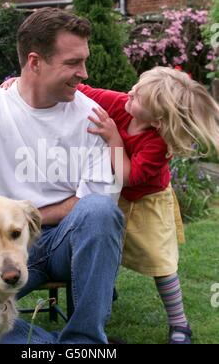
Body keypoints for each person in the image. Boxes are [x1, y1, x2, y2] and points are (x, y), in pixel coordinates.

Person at [0, 8, 124, 344]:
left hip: (63, 242)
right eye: (73, 63)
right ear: (35, 62)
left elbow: (97, 202)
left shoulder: (91, 116)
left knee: (99, 212)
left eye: (83, 61)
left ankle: (85, 342)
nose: (84, 73)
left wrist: (19, 217)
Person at [80, 66, 219, 344]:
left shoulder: (157, 142)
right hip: (116, 198)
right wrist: (22, 84)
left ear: (157, 119)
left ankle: (179, 323)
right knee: (105, 249)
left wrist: (113, 138)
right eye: (136, 86)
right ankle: (105, 294)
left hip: (148, 203)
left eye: (139, 96)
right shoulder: (122, 103)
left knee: (160, 261)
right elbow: (83, 92)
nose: (130, 92)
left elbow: (130, 176)